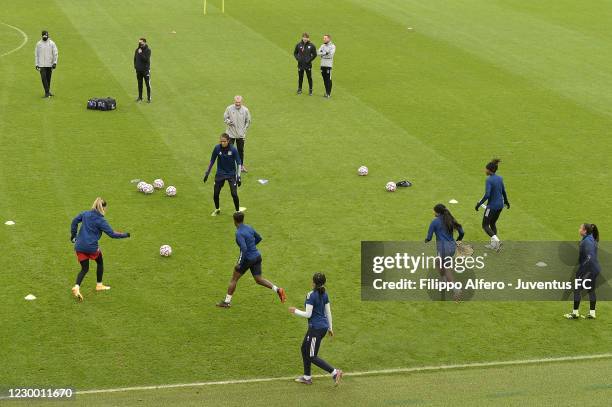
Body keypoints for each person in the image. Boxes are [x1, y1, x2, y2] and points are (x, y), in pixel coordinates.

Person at [216, 212, 286, 308]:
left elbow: (244, 248)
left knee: (234, 279)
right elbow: (259, 238)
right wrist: (252, 246)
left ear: (234, 221)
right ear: (243, 219)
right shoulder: (249, 227)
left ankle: (227, 302)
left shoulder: (239, 233)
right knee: (258, 279)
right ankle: (278, 289)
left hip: (247, 259)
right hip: (257, 256)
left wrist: (239, 263)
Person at [69, 198, 130, 301]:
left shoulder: (85, 213)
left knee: (84, 269)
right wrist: (126, 235)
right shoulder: (101, 221)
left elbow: (74, 221)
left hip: (79, 246)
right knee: (100, 262)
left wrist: (73, 235)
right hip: (91, 247)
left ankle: (77, 287)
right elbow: (112, 234)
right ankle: (99, 285)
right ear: (103, 208)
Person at [290, 272, 343, 386]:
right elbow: (328, 312)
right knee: (304, 348)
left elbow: (308, 314)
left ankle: (334, 372)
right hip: (321, 327)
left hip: (316, 329)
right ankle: (307, 377)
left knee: (312, 355)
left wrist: (295, 311)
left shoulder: (311, 295)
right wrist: (330, 327)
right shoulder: (325, 294)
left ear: (313, 282)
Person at [425, 204, 465, 300]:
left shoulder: (434, 222)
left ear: (438, 212)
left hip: (443, 248)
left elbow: (429, 237)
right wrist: (458, 241)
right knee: (438, 263)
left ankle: (456, 289)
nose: (433, 212)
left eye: (434, 211)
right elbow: (462, 232)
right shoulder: (450, 219)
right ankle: (443, 281)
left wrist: (427, 240)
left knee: (445, 268)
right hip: (452, 247)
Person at [203, 133, 245, 216]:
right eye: (221, 141)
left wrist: (239, 176)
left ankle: (237, 211)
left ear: (228, 141)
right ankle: (217, 209)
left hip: (231, 174)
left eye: (224, 141)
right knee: (216, 193)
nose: (222, 143)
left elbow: (239, 163)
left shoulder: (233, 149)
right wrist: (207, 172)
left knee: (234, 194)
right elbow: (212, 161)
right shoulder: (217, 148)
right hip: (220, 173)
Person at [565, 224, 601, 319]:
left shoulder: (587, 241)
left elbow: (589, 257)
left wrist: (582, 269)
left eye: (580, 228)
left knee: (577, 289)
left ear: (585, 231)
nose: (579, 229)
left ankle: (575, 313)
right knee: (591, 289)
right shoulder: (590, 238)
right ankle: (592, 313)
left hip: (588, 269)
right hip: (595, 269)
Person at [475, 158, 509, 251]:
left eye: (486, 169)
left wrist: (479, 203)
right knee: (492, 223)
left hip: (492, 207)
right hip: (500, 206)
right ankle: (494, 245)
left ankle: (497, 241)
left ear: (489, 170)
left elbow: (487, 195)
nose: (484, 170)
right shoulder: (500, 178)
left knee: (485, 225)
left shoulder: (489, 180)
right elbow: (503, 191)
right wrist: (506, 201)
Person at [224, 95, 251, 172]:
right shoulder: (229, 108)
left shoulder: (245, 110)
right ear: (234, 101)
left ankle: (241, 166)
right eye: (236, 102)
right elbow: (225, 118)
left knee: (240, 151)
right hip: (231, 134)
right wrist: (229, 122)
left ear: (241, 102)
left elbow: (248, 121)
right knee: (229, 150)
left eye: (239, 102)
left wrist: (244, 130)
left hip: (240, 135)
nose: (237, 104)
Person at [34, 30, 58, 98]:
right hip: (41, 65)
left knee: (48, 79)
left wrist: (54, 63)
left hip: (49, 64)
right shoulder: (39, 44)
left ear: (48, 36)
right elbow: (36, 54)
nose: (45, 37)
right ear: (42, 36)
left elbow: (55, 53)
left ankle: (48, 92)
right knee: (43, 78)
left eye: (46, 36)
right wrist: (36, 64)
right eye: (44, 36)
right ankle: (47, 92)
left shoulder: (52, 43)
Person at [134, 37, 152, 103]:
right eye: (139, 42)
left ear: (144, 42)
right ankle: (140, 97)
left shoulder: (148, 50)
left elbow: (146, 60)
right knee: (140, 84)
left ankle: (149, 98)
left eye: (141, 42)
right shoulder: (137, 50)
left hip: (145, 70)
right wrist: (135, 66)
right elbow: (135, 59)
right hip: (139, 71)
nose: (139, 43)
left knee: (147, 84)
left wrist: (141, 53)